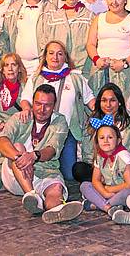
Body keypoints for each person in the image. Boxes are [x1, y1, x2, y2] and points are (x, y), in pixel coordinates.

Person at [0, 84, 84, 224]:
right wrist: (20, 158)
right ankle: (31, 194)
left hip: (46, 170)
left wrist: (33, 156)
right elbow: (2, 141)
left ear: (54, 105)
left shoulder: (60, 121)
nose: (42, 109)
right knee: (18, 146)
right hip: (16, 174)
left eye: (47, 105)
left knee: (56, 189)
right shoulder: (20, 117)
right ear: (32, 102)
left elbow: (52, 150)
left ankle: (55, 209)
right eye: (38, 104)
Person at [19, 41, 96, 180]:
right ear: (45, 56)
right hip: (41, 132)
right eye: (51, 53)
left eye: (60, 54)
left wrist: (104, 115)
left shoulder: (75, 78)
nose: (55, 57)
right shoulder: (37, 78)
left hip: (67, 132)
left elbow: (90, 100)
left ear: (65, 57)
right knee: (39, 168)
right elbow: (25, 99)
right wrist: (26, 109)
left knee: (70, 175)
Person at [72, 83, 130, 182]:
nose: (108, 105)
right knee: (79, 169)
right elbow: (87, 154)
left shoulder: (129, 126)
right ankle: (101, 184)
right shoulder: (93, 123)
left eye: (112, 100)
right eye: (104, 101)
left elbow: (128, 152)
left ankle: (107, 186)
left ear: (119, 102)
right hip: (98, 167)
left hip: (120, 167)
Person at [2, 0, 58, 76]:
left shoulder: (52, 10)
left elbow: (55, 40)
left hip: (41, 64)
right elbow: (5, 37)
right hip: (17, 65)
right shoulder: (13, 9)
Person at [86, 0, 130, 99]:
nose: (114, 2)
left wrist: (124, 63)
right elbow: (90, 44)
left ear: (125, 0)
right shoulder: (99, 18)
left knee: (121, 109)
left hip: (124, 72)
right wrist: (96, 59)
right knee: (100, 108)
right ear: (106, 0)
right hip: (100, 71)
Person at [38, 0, 95, 75]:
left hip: (83, 69)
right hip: (58, 70)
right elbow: (44, 43)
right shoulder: (53, 17)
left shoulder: (89, 17)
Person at [80, 124, 130, 215]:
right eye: (102, 138)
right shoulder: (100, 156)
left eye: (110, 137)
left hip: (129, 190)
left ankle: (97, 204)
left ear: (118, 141)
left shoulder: (123, 156)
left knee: (127, 194)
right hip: (109, 192)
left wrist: (109, 189)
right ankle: (108, 207)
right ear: (97, 141)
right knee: (84, 185)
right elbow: (95, 180)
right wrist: (104, 193)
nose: (106, 141)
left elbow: (129, 185)